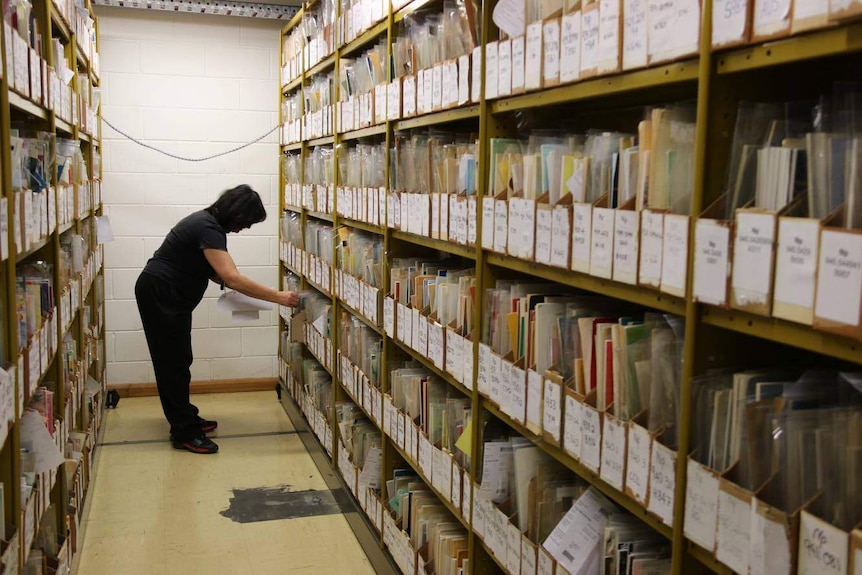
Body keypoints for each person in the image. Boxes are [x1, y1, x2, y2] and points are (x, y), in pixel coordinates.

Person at [135, 185, 300, 454]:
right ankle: (184, 431)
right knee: (172, 363)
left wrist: (235, 290)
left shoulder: (207, 223)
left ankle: (186, 416)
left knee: (179, 359)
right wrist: (279, 297)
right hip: (161, 295)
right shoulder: (207, 227)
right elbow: (231, 276)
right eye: (246, 222)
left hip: (166, 294)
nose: (244, 228)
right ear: (237, 213)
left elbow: (212, 270)